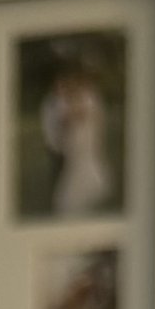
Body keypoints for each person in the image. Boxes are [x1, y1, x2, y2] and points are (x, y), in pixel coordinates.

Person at [38, 55, 114, 217]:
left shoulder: (88, 98)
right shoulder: (57, 100)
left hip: (82, 141)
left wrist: (70, 114)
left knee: (78, 174)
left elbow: (82, 116)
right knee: (66, 175)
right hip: (67, 144)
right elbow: (60, 120)